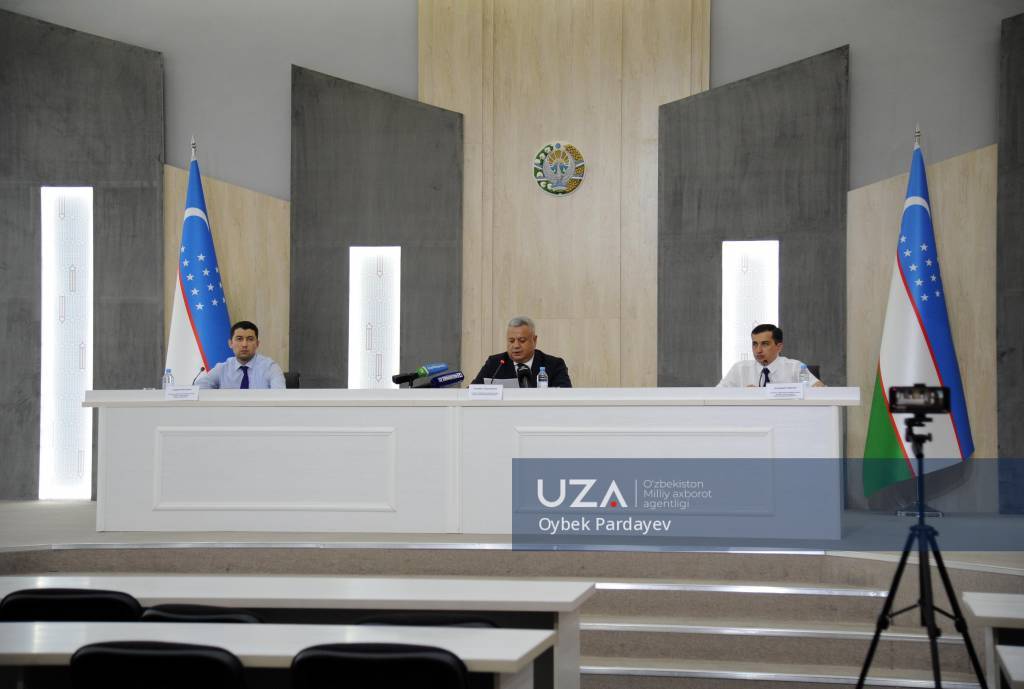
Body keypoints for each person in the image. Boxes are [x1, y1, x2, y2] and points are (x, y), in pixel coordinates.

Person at [472, 316, 572, 387]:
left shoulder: (554, 365)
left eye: (522, 340)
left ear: (534, 340)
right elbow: (471, 391)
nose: (516, 346)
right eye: (511, 341)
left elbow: (565, 395)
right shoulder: (495, 364)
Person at [718, 323, 824, 387]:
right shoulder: (739, 369)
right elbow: (717, 394)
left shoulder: (796, 367)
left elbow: (818, 388)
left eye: (765, 344)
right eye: (755, 344)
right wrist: (744, 395)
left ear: (779, 347)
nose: (758, 350)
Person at [196, 320, 286, 389]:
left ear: (257, 344)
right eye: (239, 339)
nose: (244, 344)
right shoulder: (222, 369)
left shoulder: (270, 367)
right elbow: (198, 389)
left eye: (250, 339)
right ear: (230, 343)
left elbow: (280, 395)